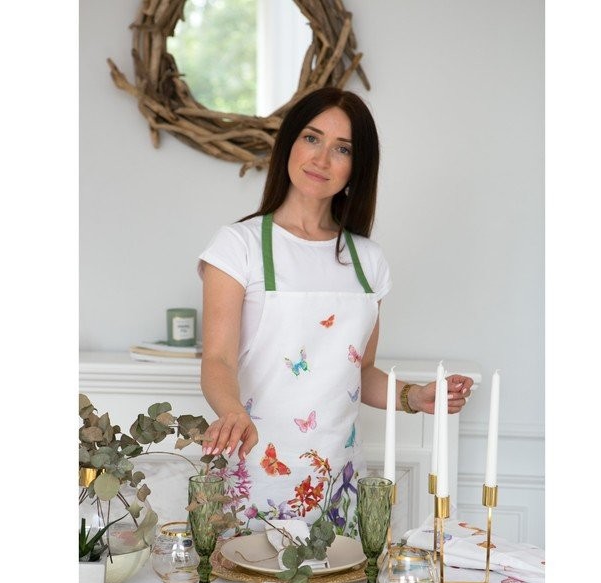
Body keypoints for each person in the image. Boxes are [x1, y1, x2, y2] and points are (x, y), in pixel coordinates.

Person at [197, 86, 473, 537]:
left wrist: (415, 397)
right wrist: (231, 412)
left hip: (337, 487)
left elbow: (360, 372)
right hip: (253, 477)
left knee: (341, 582)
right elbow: (218, 360)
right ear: (289, 144)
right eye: (311, 138)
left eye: (342, 148)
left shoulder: (368, 261)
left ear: (356, 167)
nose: (321, 159)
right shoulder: (237, 246)